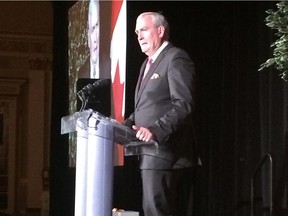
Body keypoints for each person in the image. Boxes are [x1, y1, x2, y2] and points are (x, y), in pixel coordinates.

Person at [123, 11, 200, 216]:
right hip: (149, 155)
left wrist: (155, 130)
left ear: (160, 30)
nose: (139, 36)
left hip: (166, 154)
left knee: (157, 212)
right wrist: (124, 125)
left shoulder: (176, 58)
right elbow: (146, 107)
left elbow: (183, 104)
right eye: (137, 32)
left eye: (144, 30)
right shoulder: (145, 65)